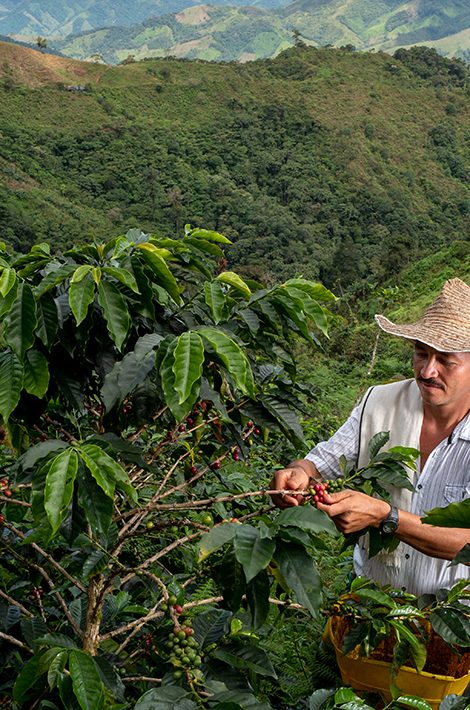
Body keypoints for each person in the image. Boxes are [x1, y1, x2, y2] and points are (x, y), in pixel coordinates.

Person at [271, 277, 470, 597]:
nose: (427, 371)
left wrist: (386, 518)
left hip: (455, 625)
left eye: (446, 361)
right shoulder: (378, 403)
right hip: (371, 609)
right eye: (421, 354)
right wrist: (299, 473)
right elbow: (318, 464)